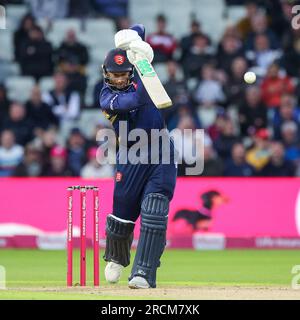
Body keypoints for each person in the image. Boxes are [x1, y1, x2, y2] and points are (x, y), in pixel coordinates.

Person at [99, 25, 177, 289]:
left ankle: (143, 272)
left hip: (161, 149)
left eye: (123, 73)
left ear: (129, 70)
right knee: (123, 212)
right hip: (131, 153)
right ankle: (117, 258)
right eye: (114, 74)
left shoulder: (139, 76)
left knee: (155, 209)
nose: (119, 79)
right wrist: (144, 62)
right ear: (106, 73)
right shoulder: (106, 96)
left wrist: (133, 40)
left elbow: (139, 29)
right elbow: (132, 101)